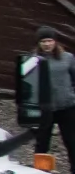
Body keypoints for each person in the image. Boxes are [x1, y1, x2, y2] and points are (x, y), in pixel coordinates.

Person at [18, 29, 75, 165]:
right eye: (43, 41)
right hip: (44, 109)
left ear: (55, 42)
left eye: (50, 41)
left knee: (72, 143)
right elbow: (27, 84)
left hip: (66, 107)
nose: (47, 44)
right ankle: (41, 173)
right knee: (42, 143)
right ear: (39, 43)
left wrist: (71, 94)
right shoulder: (32, 61)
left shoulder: (68, 58)